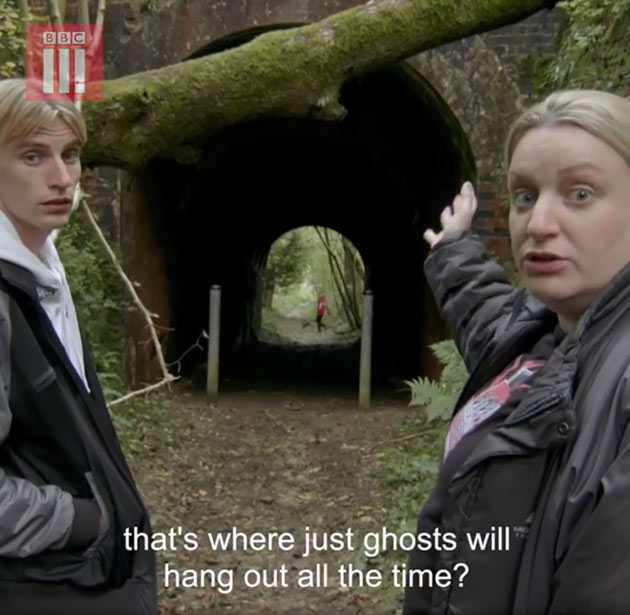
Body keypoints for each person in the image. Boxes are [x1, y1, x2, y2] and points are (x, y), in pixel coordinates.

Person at [403, 89, 630, 614]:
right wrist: (452, 251)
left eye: (580, 194)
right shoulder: (547, 335)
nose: (538, 223)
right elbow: (492, 323)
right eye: (525, 196)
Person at [0, 78, 156, 614]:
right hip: (41, 584)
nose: (63, 177)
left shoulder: (40, 270)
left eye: (70, 155)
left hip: (82, 579)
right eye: (32, 156)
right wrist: (83, 520)